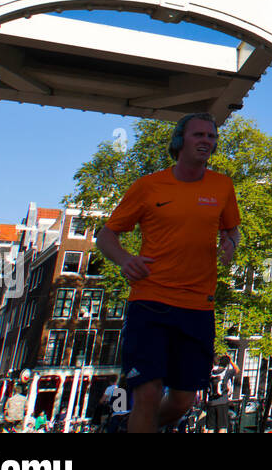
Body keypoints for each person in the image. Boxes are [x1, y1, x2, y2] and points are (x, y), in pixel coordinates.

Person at [96, 112, 241, 434]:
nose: (207, 140)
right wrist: (124, 260)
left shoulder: (222, 186)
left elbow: (232, 230)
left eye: (211, 136)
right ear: (179, 141)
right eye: (199, 135)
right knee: (146, 393)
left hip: (197, 305)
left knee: (182, 401)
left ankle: (126, 428)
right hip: (150, 300)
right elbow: (106, 235)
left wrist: (229, 244)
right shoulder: (148, 186)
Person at [207, 354, 238, 432]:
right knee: (222, 427)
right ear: (227, 364)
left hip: (211, 402)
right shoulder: (227, 372)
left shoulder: (211, 372)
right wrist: (230, 361)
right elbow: (237, 370)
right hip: (222, 402)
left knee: (210, 428)